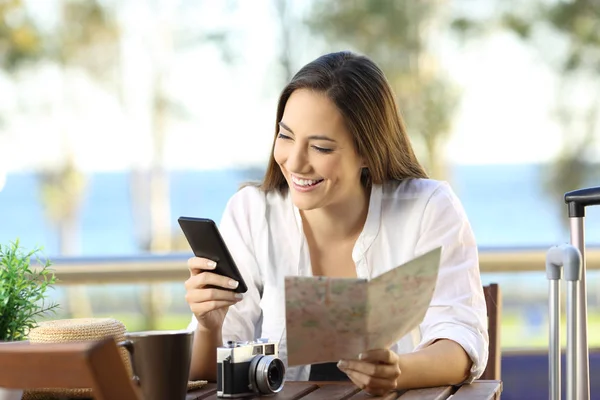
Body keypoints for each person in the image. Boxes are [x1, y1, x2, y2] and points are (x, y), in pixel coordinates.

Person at [184, 51, 488, 396]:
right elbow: (207, 370)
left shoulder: (428, 208)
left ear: (367, 151)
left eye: (321, 148)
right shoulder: (253, 211)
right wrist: (210, 327)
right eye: (285, 136)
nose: (295, 162)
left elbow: (460, 344)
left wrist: (398, 371)